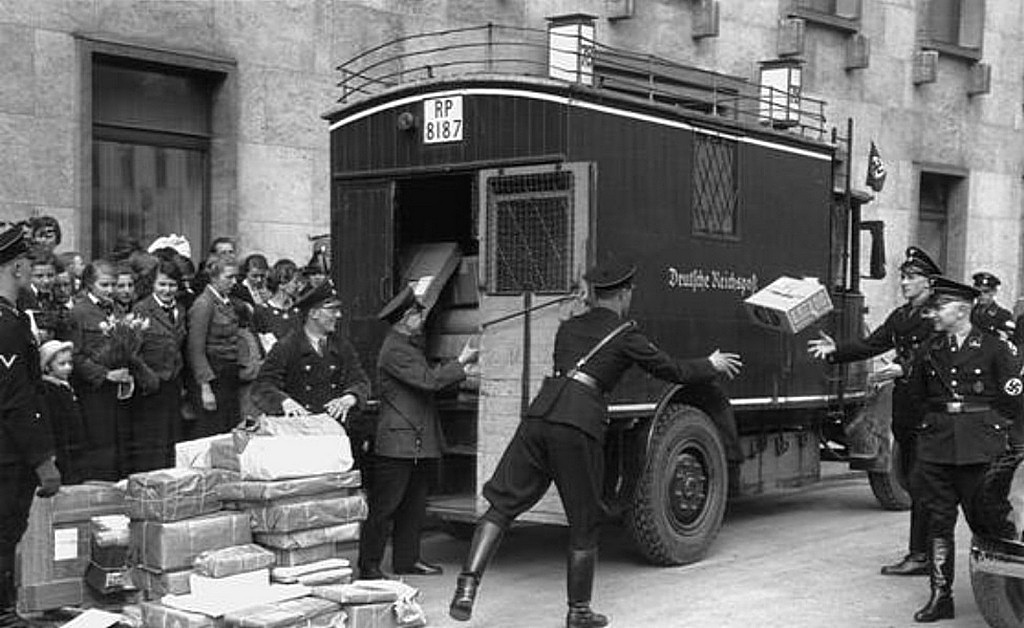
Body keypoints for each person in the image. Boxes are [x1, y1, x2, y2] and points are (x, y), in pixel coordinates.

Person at [449, 260, 742, 627]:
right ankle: (579, 611)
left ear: (593, 294)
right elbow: (672, 371)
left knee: (502, 505)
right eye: (630, 293)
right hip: (577, 426)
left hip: (539, 418)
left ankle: (466, 588)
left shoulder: (568, 328)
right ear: (623, 294)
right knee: (584, 521)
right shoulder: (626, 334)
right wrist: (710, 363)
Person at [807, 246, 940, 577]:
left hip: (932, 412)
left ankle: (924, 556)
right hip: (907, 412)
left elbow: (935, 354)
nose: (905, 283)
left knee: (926, 486)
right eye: (903, 278)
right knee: (912, 481)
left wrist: (903, 367)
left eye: (911, 278)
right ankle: (924, 553)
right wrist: (836, 349)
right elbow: (873, 344)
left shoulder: (939, 316)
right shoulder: (901, 316)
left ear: (928, 283)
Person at [905, 276, 1023, 623]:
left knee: (989, 524)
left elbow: (1014, 393)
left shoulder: (995, 347)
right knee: (939, 523)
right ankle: (941, 597)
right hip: (937, 445)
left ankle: (1007, 597)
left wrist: (993, 424)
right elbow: (915, 396)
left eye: (940, 307)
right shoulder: (929, 349)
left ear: (961, 310)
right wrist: (927, 426)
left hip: (980, 446)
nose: (934, 313)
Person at [357, 285, 478, 580]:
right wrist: (460, 363)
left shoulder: (407, 345)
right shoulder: (396, 349)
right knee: (385, 507)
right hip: (398, 442)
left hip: (414, 440)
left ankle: (407, 560)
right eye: (417, 314)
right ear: (405, 318)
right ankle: (369, 565)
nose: (421, 318)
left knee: (413, 505)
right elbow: (428, 381)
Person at [0, 225, 61, 628]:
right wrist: (43, 461)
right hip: (7, 453)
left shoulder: (11, 318)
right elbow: (16, 401)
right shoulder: (6, 324)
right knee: (4, 533)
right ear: (19, 267)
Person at [251, 280, 370, 419]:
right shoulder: (287, 347)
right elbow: (263, 386)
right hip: (299, 428)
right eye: (332, 310)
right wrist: (284, 402)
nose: (338, 315)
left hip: (335, 427)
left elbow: (360, 380)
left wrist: (351, 397)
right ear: (314, 313)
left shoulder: (342, 346)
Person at [70, 260, 133, 481]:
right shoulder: (79, 312)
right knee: (99, 445)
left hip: (117, 391)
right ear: (89, 284)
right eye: (104, 285)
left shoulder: (118, 310)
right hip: (92, 391)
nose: (110, 290)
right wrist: (104, 374)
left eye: (113, 285)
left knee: (119, 445)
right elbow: (74, 356)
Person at [130, 259, 187, 471]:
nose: (167, 290)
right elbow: (133, 352)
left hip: (172, 384)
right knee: (151, 441)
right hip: (150, 387)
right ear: (153, 284)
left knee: (171, 439)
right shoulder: (142, 309)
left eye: (172, 285)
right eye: (162, 284)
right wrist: (149, 379)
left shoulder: (180, 310)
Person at [187, 256, 242, 437]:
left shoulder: (226, 302)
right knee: (212, 430)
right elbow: (196, 349)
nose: (234, 282)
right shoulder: (204, 304)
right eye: (229, 277)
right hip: (213, 376)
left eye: (236, 277)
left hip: (227, 376)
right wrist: (205, 388)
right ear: (214, 278)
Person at [38, 340, 87, 485]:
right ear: (47, 367)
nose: (68, 368)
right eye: (62, 364)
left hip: (73, 447)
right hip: (62, 449)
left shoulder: (64, 387)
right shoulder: (49, 390)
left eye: (69, 363)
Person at [252, 259, 303, 351]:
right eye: (295, 282)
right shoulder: (263, 311)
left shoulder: (298, 310)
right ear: (282, 284)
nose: (299, 286)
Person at [970, 271, 1015, 341]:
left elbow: (1009, 339)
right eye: (978, 292)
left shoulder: (1003, 315)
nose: (981, 295)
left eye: (986, 291)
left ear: (994, 292)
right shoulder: (969, 312)